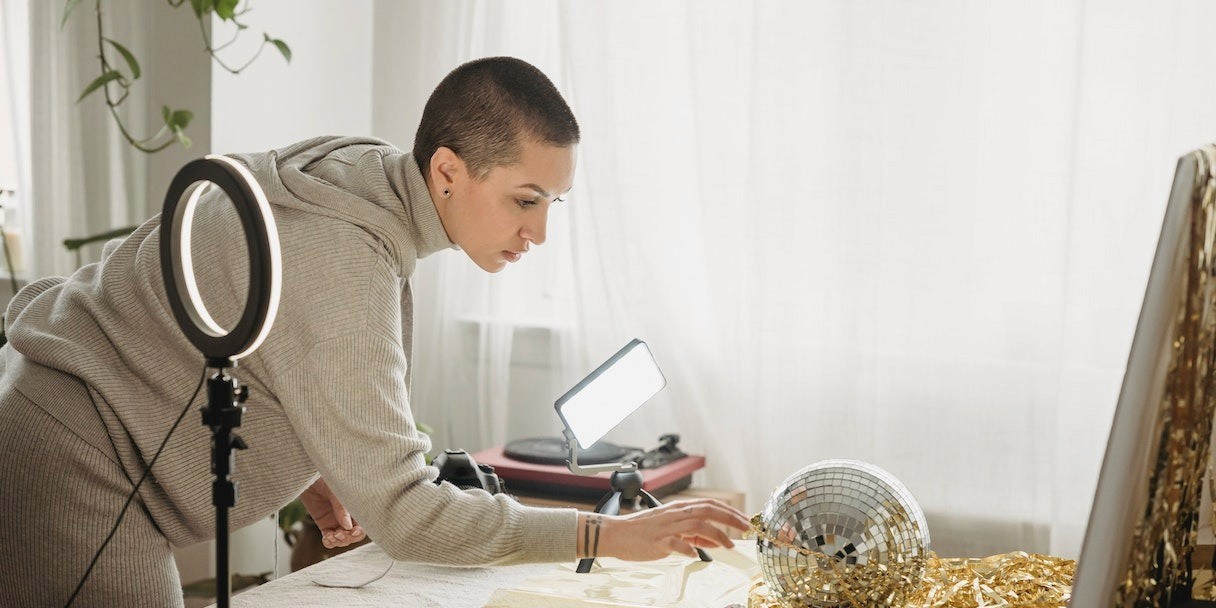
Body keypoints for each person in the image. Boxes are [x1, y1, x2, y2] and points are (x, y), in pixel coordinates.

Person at [0, 56, 749, 607]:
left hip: (53, 414)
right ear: (448, 171)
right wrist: (604, 535)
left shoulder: (361, 173)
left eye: (554, 202)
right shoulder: (347, 259)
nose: (539, 231)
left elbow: (263, 334)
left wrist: (319, 465)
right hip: (77, 467)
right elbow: (409, 515)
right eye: (526, 199)